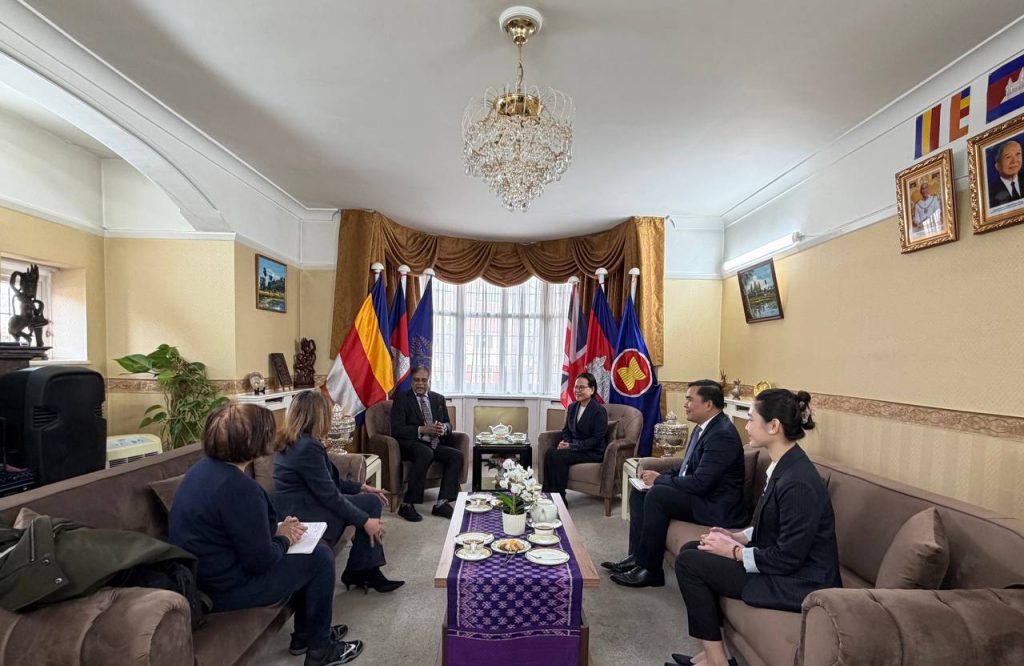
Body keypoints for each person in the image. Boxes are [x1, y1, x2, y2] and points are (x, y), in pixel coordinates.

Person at [169, 403, 363, 665]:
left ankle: (305, 635)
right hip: (225, 590)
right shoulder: (240, 488)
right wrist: (284, 539)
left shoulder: (201, 470)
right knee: (320, 558)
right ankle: (320, 649)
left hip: (205, 578)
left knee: (308, 550)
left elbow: (235, 530)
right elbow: (261, 561)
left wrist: (277, 530)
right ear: (253, 440)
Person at [666, 389, 841, 666]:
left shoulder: (798, 481)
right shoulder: (784, 466)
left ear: (774, 426)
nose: (746, 426)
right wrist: (735, 536)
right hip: (783, 567)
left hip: (799, 581)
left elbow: (788, 557)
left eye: (750, 419)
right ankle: (715, 654)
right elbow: (773, 525)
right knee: (693, 548)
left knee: (690, 563)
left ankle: (716, 660)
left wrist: (734, 552)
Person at [606, 380, 745, 589]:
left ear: (708, 404)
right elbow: (686, 467)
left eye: (690, 400)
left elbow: (700, 483)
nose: (685, 404)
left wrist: (659, 480)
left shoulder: (722, 434)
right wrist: (657, 475)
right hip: (703, 496)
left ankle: (651, 571)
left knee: (658, 495)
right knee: (640, 492)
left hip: (716, 506)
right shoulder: (704, 428)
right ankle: (637, 558)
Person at [274, 390, 404, 594]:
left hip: (302, 503)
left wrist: (361, 487)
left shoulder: (294, 440)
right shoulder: (307, 447)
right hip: (304, 513)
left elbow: (327, 481)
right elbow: (330, 496)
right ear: (317, 416)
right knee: (370, 505)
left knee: (370, 500)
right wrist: (365, 521)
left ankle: (362, 570)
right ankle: (362, 571)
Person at [390, 366, 464, 522]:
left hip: (434, 443)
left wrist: (444, 428)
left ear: (429, 381)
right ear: (412, 382)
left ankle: (442, 503)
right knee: (425, 453)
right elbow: (396, 429)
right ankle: (407, 505)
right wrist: (421, 429)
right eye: (417, 380)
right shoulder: (402, 399)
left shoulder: (438, 399)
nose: (420, 384)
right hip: (411, 444)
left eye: (424, 380)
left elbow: (448, 424)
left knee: (456, 455)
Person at [541, 372, 608, 499]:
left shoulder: (599, 411)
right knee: (550, 452)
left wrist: (572, 446)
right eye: (576, 387)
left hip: (592, 451)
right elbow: (566, 430)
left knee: (559, 456)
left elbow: (596, 439)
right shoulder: (572, 407)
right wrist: (566, 443)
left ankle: (559, 498)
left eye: (581, 387)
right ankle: (547, 495)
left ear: (592, 389)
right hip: (574, 448)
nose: (577, 390)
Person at [989, 139, 1022, 208]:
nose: (1014, 161)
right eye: (1008, 157)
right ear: (997, 166)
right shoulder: (990, 193)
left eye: (1018, 154)